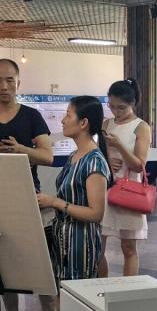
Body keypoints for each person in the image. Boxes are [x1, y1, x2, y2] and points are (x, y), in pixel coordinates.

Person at [0, 58, 56, 311]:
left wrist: (20, 150)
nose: (4, 86)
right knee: (4, 265)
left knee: (40, 262)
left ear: (18, 83)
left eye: (10, 80)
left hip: (29, 198)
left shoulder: (31, 116)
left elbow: (47, 156)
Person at [37, 96, 113, 285]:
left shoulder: (94, 161)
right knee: (62, 295)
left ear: (83, 123)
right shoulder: (74, 156)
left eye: (68, 115)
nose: (63, 120)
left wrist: (55, 202)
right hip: (63, 240)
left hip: (80, 242)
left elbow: (96, 213)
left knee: (76, 297)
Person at [97, 78, 151, 277]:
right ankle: (101, 287)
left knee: (128, 248)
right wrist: (107, 161)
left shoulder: (141, 127)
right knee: (98, 246)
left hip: (129, 190)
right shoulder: (106, 124)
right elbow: (98, 153)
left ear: (132, 103)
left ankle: (128, 289)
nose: (116, 112)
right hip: (106, 187)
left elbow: (139, 165)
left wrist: (119, 146)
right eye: (112, 106)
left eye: (121, 107)